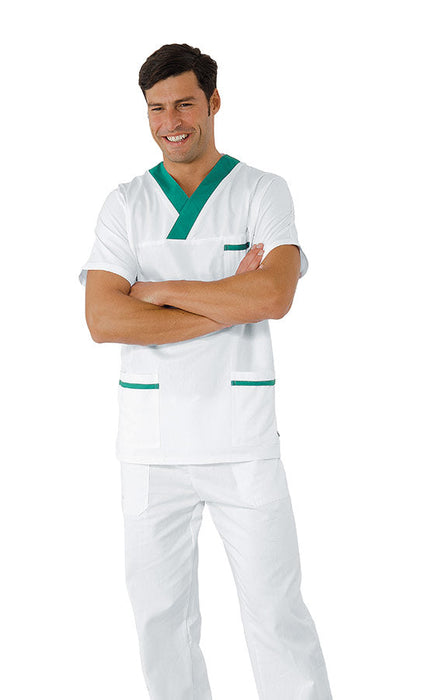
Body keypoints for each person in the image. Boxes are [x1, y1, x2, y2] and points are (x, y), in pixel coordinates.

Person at [80, 43, 333, 700]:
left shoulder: (262, 191)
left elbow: (273, 296)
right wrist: (226, 299)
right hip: (150, 447)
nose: (171, 122)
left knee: (276, 615)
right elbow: (103, 319)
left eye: (185, 104)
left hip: (242, 441)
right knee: (159, 622)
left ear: (214, 102)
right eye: (156, 109)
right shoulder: (125, 203)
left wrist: (156, 290)